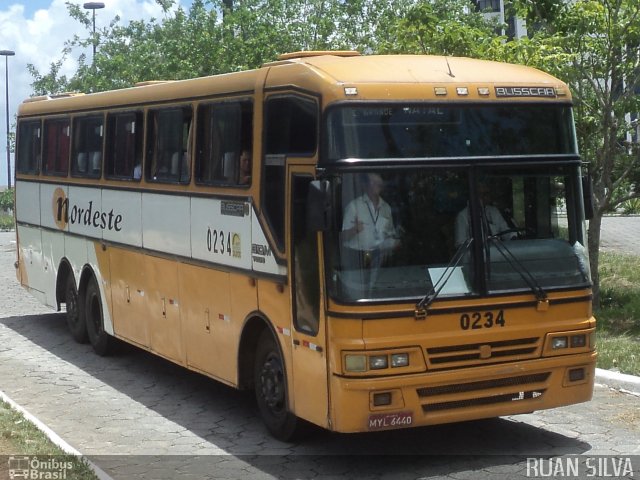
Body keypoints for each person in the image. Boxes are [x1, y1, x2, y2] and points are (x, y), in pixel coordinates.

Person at [342, 173, 399, 268]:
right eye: (373, 182)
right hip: (357, 258)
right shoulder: (354, 206)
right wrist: (355, 230)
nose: (376, 185)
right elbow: (343, 238)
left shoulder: (386, 208)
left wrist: (394, 243)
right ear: (365, 185)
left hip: (380, 259)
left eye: (378, 183)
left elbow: (390, 235)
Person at [454, 182, 514, 246]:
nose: (486, 197)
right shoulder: (463, 216)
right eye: (483, 194)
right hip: (477, 254)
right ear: (473, 195)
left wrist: (514, 237)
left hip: (497, 252)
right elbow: (460, 244)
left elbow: (506, 232)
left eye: (488, 194)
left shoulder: (494, 211)